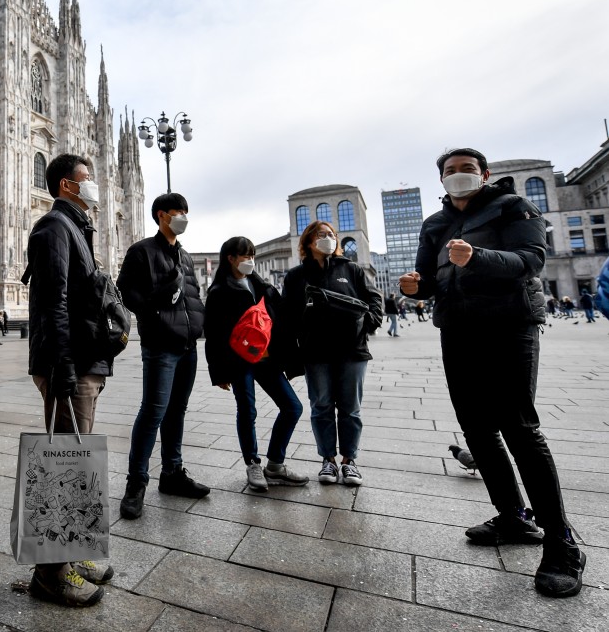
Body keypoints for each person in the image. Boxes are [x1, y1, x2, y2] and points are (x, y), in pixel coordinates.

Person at [399, 147, 585, 598]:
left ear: (484, 174)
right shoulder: (434, 224)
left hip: (509, 325)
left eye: (467, 169)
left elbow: (530, 261)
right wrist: (415, 286)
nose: (458, 176)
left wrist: (477, 256)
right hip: (457, 328)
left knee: (519, 428)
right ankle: (512, 517)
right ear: (440, 179)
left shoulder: (514, 207)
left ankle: (562, 543)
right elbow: (428, 276)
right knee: (477, 430)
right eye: (450, 171)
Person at [22, 153, 114, 607]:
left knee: (76, 464)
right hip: (70, 364)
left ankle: (73, 554)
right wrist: (61, 365)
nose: (92, 185)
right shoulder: (54, 228)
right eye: (86, 179)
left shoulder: (76, 228)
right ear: (65, 185)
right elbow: (52, 302)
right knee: (64, 466)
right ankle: (50, 573)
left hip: (83, 360)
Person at [117, 192, 210, 520]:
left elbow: (192, 295)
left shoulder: (185, 256)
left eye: (186, 211)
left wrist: (198, 326)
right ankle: (136, 483)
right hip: (160, 346)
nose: (183, 217)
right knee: (153, 412)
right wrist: (155, 309)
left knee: (177, 412)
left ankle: (171, 473)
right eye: (177, 212)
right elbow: (126, 293)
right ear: (161, 215)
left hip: (187, 347)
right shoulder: (142, 251)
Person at [282, 220, 383, 487]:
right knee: (322, 406)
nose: (328, 238)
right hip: (315, 352)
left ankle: (349, 461)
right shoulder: (295, 276)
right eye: (321, 234)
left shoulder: (350, 269)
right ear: (307, 242)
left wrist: (367, 323)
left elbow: (374, 298)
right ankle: (328, 459)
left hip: (352, 350)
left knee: (350, 408)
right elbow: (287, 317)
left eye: (331, 234)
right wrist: (291, 353)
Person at [204, 236, 307, 490]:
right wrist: (218, 372)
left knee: (292, 407)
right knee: (247, 410)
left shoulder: (262, 286)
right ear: (231, 259)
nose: (250, 260)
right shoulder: (218, 292)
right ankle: (252, 463)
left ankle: (275, 465)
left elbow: (280, 320)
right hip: (239, 362)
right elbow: (213, 334)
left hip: (267, 359)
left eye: (252, 255)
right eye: (245, 256)